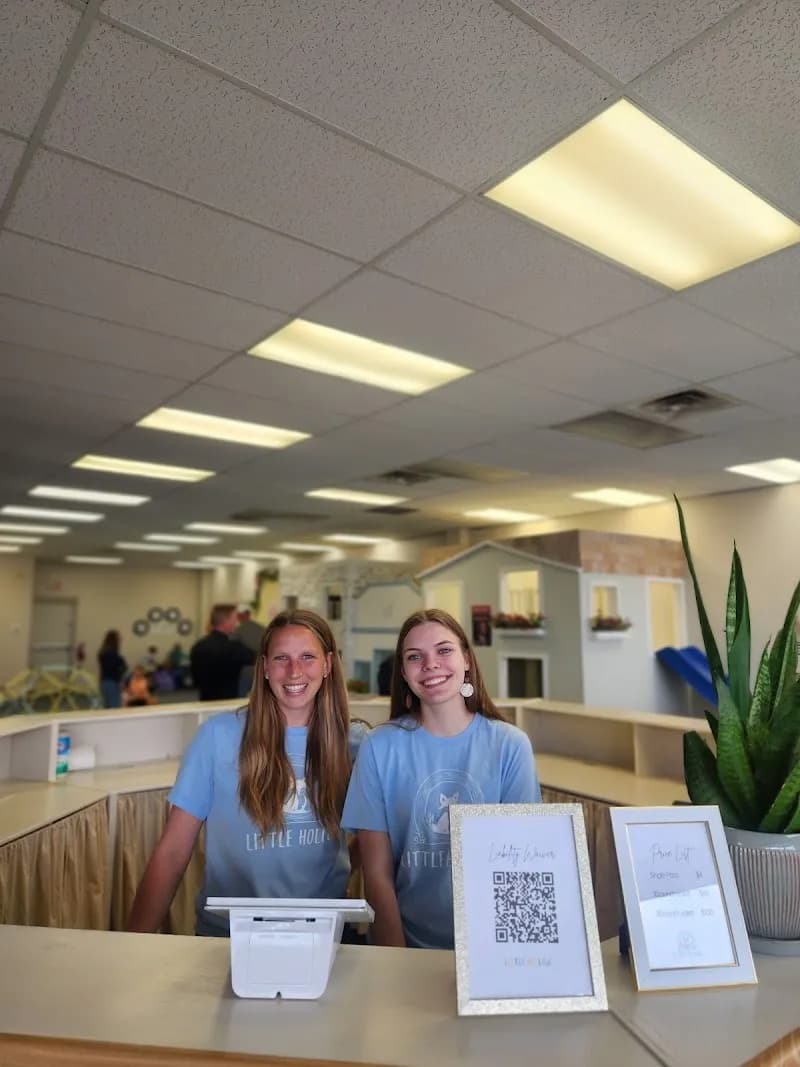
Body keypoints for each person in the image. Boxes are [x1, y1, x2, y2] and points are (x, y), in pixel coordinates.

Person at [126, 609, 364, 936]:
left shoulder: (353, 743)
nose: (294, 671)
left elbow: (380, 841)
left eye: (307, 656)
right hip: (230, 936)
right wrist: (133, 942)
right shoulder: (218, 736)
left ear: (328, 664)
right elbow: (172, 851)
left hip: (324, 934)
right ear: (264, 667)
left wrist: (338, 875)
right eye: (281, 658)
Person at [343, 608, 540, 950]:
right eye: (414, 656)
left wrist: (507, 957)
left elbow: (519, 871)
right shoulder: (379, 747)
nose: (430, 664)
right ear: (403, 672)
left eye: (444, 650)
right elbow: (376, 874)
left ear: (466, 658)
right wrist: (397, 959)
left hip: (491, 947)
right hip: (404, 944)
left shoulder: (510, 745)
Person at [189, 603, 256, 701]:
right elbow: (256, 658)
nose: (237, 623)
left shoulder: (198, 646)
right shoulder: (234, 647)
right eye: (234, 619)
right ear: (226, 621)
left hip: (204, 703)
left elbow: (195, 680)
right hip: (228, 704)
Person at [234, 605, 265, 697]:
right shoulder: (261, 628)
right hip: (260, 667)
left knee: (241, 696)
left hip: (244, 669)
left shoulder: (237, 631)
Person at [97, 629, 127, 709]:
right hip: (112, 682)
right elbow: (115, 669)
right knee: (115, 708)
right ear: (114, 640)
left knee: (107, 707)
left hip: (104, 682)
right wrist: (120, 681)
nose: (121, 640)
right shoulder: (112, 654)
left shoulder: (103, 652)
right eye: (119, 638)